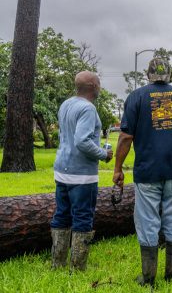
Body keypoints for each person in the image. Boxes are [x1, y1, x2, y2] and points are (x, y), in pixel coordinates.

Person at [112, 58, 172, 286]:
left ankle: (148, 278)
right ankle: (171, 274)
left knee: (147, 220)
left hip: (147, 171)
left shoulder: (136, 97)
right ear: (169, 74)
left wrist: (118, 168)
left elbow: (125, 137)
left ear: (148, 75)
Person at [50, 71, 113, 271]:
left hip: (62, 170)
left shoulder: (66, 104)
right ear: (93, 86)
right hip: (81, 175)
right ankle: (77, 268)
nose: (100, 86)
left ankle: (57, 263)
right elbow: (82, 141)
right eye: (99, 83)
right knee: (83, 217)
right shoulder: (88, 109)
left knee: (61, 215)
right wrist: (104, 154)